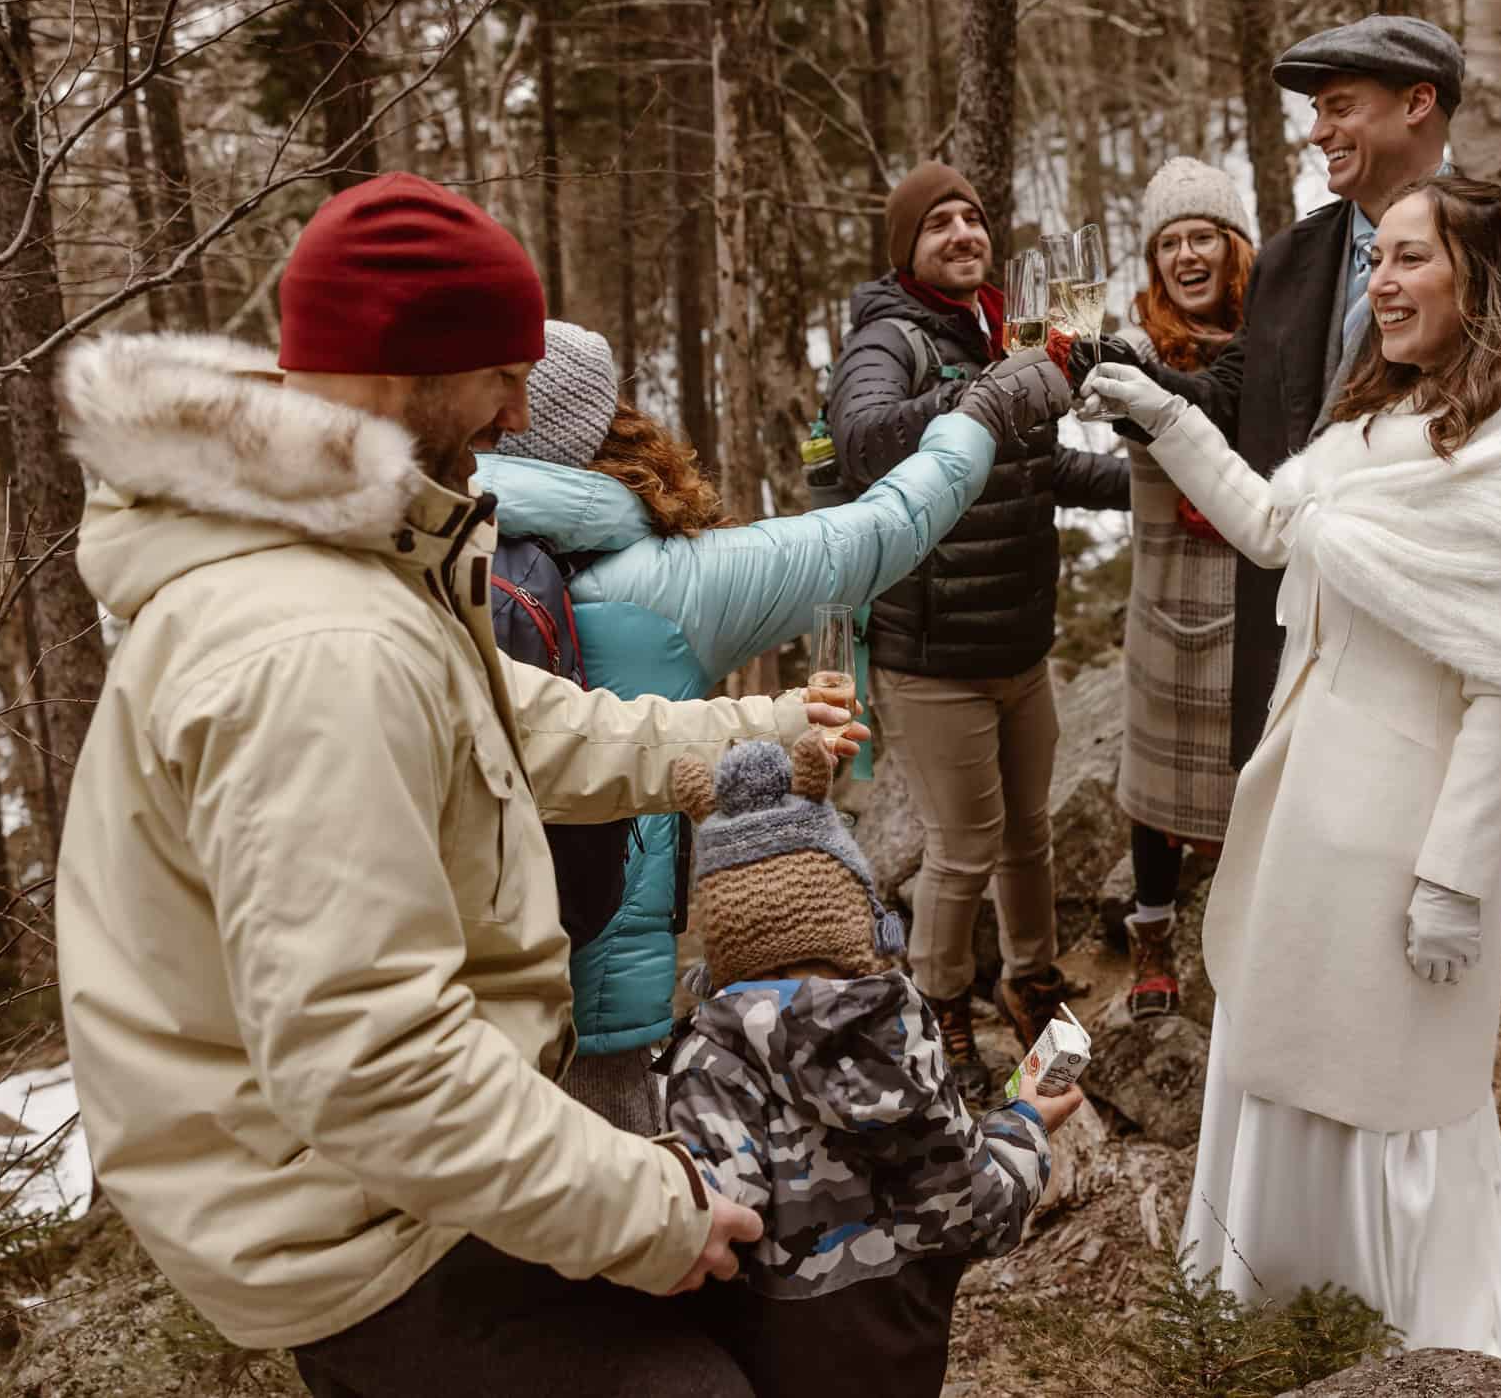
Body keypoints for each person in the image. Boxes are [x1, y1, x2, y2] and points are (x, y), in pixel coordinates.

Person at [52, 172, 869, 1398]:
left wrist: (754, 736)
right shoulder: (316, 646)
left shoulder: (349, 564)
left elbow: (525, 725)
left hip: (388, 1171)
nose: (519, 407)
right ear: (404, 368)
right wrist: (653, 1211)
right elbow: (371, 1062)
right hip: (359, 1226)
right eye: (501, 370)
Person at [1079, 175, 1501, 1379]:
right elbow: (1278, 528)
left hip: (1404, 815)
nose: (1382, 283)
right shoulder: (1378, 416)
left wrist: (1455, 875)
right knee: (1280, 1034)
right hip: (1304, 783)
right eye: (1378, 261)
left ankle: (1387, 1321)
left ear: (1481, 284)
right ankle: (1268, 1302)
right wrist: (1165, 415)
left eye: (1412, 261)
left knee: (1377, 1070)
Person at [474, 321, 1071, 1132]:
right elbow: (878, 532)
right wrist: (982, 418)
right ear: (598, 423)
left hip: (461, 982)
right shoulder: (663, 583)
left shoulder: (422, 544)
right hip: (602, 999)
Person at [1076, 16, 1501, 772]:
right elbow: (1234, 406)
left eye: (1340, 107)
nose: (1317, 132)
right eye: (1315, 113)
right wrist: (1132, 385)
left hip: (1433, 648)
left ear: (1417, 103)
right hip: (1288, 629)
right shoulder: (1286, 261)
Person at [827, 162, 1130, 1098]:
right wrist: (988, 387)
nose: (963, 234)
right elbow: (863, 438)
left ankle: (1030, 982)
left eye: (973, 219)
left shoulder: (1003, 325)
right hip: (934, 655)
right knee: (963, 849)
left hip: (1019, 645)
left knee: (1030, 833)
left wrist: (1150, 483)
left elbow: (1037, 467)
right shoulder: (891, 337)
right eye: (938, 225)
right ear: (908, 251)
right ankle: (941, 1001)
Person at [663, 733, 1083, 1398]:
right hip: (902, 1358)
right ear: (850, 911)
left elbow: (710, 1217)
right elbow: (978, 1210)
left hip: (767, 1362)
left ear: (724, 933)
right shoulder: (900, 1030)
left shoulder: (708, 1053)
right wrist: (1029, 1117)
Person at [1111, 158, 1254, 1017]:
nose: (1187, 256)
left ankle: (1241, 936)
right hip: (1166, 591)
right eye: (1170, 243)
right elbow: (1134, 408)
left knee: (1251, 778)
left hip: (1255, 591)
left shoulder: (1274, 344)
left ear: (1234, 247)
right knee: (1153, 783)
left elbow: (1219, 404)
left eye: (1203, 235)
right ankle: (1154, 942)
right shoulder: (1135, 351)